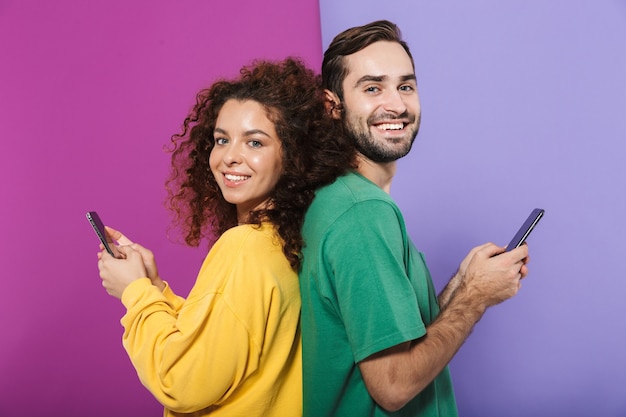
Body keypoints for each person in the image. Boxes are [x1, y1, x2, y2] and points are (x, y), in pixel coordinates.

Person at [96, 58, 355, 417]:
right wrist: (155, 288)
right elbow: (226, 342)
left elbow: (182, 383)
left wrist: (135, 295)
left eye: (255, 143)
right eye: (222, 140)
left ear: (292, 155)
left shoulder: (244, 248)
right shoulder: (288, 242)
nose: (230, 157)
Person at [298, 20, 531, 416]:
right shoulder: (362, 214)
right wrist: (475, 298)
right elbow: (392, 385)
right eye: (373, 88)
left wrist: (464, 284)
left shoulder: (341, 199)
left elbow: (395, 342)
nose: (397, 105)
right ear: (331, 106)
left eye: (405, 86)